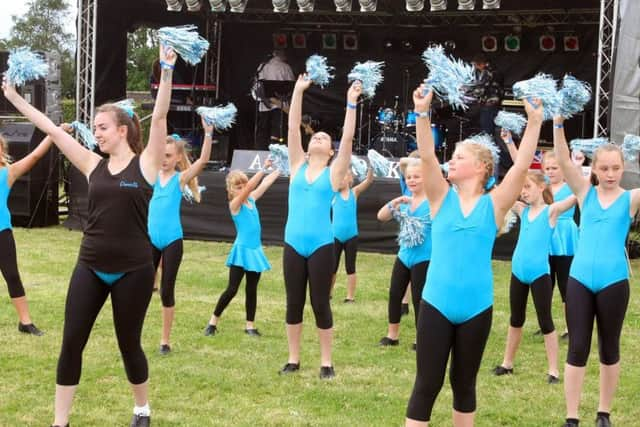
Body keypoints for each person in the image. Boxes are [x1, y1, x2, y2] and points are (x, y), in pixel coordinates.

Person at [2, 44, 173, 427]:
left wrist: (166, 70)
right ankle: (59, 422)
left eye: (102, 127)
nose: (95, 133)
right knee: (71, 342)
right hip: (91, 265)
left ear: (123, 130)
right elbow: (48, 128)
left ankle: (142, 408)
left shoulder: (145, 165)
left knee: (128, 344)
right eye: (94, 128)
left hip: (133, 269)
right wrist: (13, 97)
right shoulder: (92, 163)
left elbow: (160, 116)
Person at [405, 83, 543, 427]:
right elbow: (426, 157)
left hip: (476, 307)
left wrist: (536, 121)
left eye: (460, 157)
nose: (452, 160)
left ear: (483, 167)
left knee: (464, 385)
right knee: (427, 384)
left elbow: (522, 165)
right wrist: (422, 113)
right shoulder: (440, 196)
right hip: (436, 303)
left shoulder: (495, 204)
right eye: (451, 156)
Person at [553, 116, 638, 427]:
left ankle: (604, 413)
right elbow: (562, 160)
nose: (611, 174)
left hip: (614, 281)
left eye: (616, 168)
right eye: (604, 168)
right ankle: (572, 416)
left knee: (609, 346)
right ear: (595, 169)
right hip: (579, 281)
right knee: (577, 346)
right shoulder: (584, 194)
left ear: (624, 167)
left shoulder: (630, 199)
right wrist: (558, 124)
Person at [279, 74, 360, 379]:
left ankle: (326, 361)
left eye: (325, 139)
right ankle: (293, 358)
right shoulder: (297, 164)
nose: (318, 139)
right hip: (293, 244)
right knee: (294, 302)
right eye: (316, 137)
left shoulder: (335, 172)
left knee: (320, 303)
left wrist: (351, 103)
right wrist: (298, 90)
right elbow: (292, 126)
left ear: (330, 152)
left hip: (321, 246)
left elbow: (349, 139)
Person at [493, 171, 576, 384]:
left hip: (539, 274)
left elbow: (576, 195)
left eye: (527, 187)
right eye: (522, 188)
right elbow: (501, 193)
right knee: (515, 319)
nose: (523, 192)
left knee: (546, 321)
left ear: (541, 187)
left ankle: (553, 370)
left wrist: (588, 183)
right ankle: (507, 363)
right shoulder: (522, 209)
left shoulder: (551, 212)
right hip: (518, 272)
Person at [147, 125, 212, 356]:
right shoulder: (151, 176)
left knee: (167, 290)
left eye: (168, 156)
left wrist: (208, 132)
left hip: (173, 240)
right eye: (161, 155)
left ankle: (165, 340)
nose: (164, 160)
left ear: (177, 158)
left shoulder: (180, 179)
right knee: (142, 287)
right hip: (151, 240)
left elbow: (203, 159)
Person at [204, 160, 280, 337]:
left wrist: (281, 169)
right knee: (232, 289)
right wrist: (263, 169)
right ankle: (212, 322)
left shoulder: (251, 200)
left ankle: (250, 326)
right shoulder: (235, 205)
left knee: (251, 290)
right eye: (238, 186)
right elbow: (252, 186)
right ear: (231, 191)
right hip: (241, 252)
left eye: (243, 185)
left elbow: (265, 183)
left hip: (255, 251)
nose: (243, 188)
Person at [0, 132, 53, 336]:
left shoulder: (8, 173)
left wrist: (52, 135)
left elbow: (34, 156)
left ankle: (25, 322)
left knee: (12, 275)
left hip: (2, 233)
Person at [377, 158, 431, 349]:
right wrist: (396, 201)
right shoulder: (406, 202)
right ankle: (392, 335)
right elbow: (381, 216)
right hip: (404, 256)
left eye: (417, 176)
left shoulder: (433, 202)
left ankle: (420, 338)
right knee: (394, 294)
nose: (412, 180)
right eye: (409, 177)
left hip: (424, 258)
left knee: (419, 299)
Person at [543, 151, 579, 339]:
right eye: (547, 168)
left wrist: (578, 165)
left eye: (555, 168)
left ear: (564, 170)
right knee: (546, 285)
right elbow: (520, 163)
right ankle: (546, 324)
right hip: (547, 239)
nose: (550, 172)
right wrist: (509, 142)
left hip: (566, 240)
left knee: (566, 286)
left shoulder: (571, 187)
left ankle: (569, 327)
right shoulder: (543, 188)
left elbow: (581, 181)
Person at [330, 167, 373, 303]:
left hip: (351, 237)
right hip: (335, 236)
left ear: (350, 179)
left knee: (350, 267)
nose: (341, 179)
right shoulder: (332, 195)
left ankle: (350, 297)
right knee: (332, 267)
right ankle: (328, 292)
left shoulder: (354, 192)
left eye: (344, 176)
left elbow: (369, 180)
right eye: (339, 177)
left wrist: (371, 168)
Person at [254, 49, 295, 150]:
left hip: (265, 104)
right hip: (280, 104)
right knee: (277, 129)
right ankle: (276, 149)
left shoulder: (262, 66)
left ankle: (260, 150)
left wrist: (263, 99)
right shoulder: (285, 67)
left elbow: (257, 86)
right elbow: (292, 85)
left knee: (263, 129)